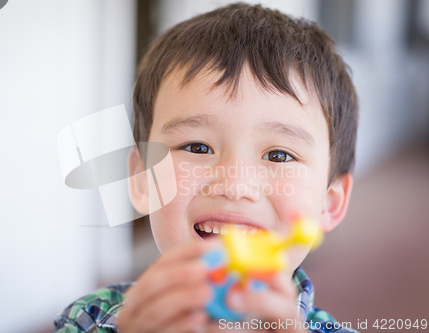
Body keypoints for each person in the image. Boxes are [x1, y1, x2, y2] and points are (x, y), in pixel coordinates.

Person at [53, 3, 359, 332]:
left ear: (330, 202)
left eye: (279, 155)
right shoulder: (86, 320)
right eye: (198, 147)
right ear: (143, 180)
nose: (234, 184)